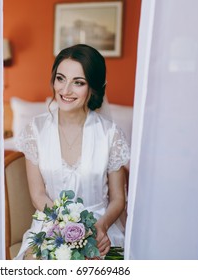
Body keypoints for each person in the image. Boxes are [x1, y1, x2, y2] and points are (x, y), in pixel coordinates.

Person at [15, 44, 130, 260]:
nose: (65, 90)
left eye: (78, 82)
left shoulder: (110, 134)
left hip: (100, 228)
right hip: (50, 225)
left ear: (93, 87)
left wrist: (99, 227)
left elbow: (117, 199)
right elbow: (38, 195)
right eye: (61, 78)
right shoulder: (35, 131)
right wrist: (69, 228)